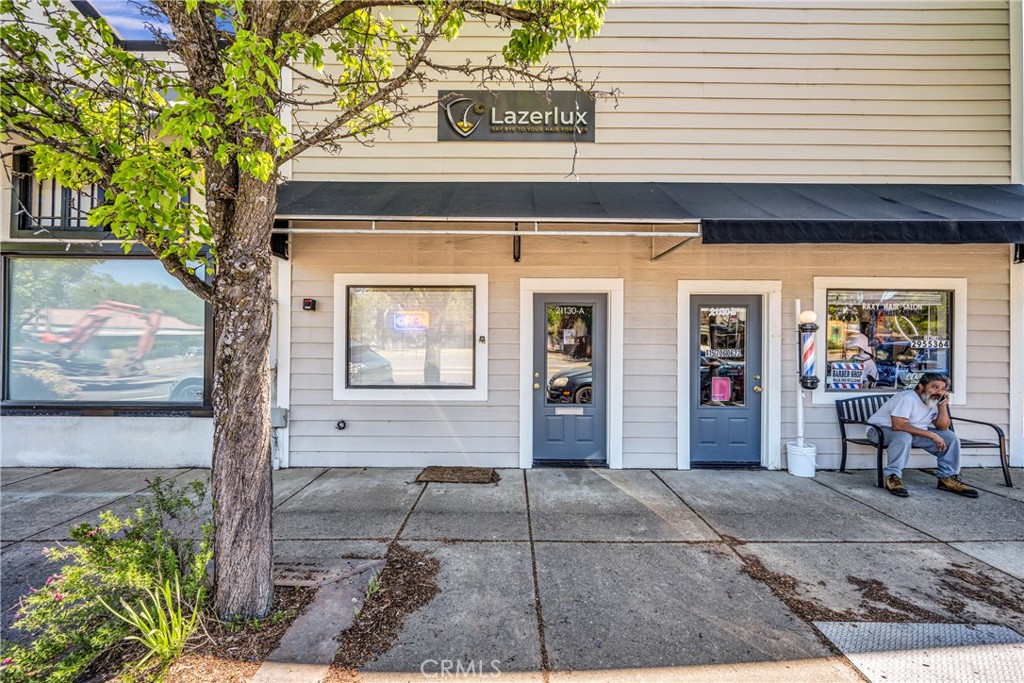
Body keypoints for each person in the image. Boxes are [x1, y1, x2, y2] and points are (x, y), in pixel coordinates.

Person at [866, 372, 978, 498]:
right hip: (880, 430)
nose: (939, 392)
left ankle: (947, 478)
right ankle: (892, 477)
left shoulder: (934, 400)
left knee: (950, 438)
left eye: (943, 389)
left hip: (911, 431)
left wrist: (943, 407)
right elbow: (898, 425)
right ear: (921, 386)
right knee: (903, 436)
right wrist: (931, 434)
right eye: (935, 387)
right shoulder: (907, 398)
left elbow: (942, 426)